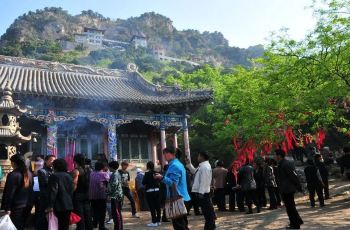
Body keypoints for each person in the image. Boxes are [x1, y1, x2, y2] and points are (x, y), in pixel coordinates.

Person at [154, 147, 191, 230]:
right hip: (181, 197)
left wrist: (161, 178)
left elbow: (173, 182)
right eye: (164, 153)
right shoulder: (177, 164)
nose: (164, 155)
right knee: (183, 224)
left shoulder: (175, 165)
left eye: (166, 153)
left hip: (177, 198)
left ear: (173, 154)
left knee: (179, 225)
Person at [1, 154, 33, 230]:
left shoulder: (13, 174)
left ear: (13, 163)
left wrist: (7, 207)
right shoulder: (30, 174)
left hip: (16, 207)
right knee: (22, 225)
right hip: (28, 205)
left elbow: (9, 193)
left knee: (15, 226)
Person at [186, 151, 216, 230]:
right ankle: (210, 227)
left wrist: (201, 192)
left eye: (198, 156)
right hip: (202, 193)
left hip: (203, 193)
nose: (197, 157)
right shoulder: (202, 166)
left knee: (208, 214)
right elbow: (194, 172)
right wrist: (189, 164)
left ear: (202, 157)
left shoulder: (205, 167)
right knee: (208, 213)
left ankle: (210, 227)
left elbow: (204, 181)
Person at [275, 149, 303, 229]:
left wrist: (298, 186)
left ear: (279, 156)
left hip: (288, 189)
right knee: (290, 207)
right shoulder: (282, 163)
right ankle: (298, 221)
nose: (275, 156)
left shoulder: (286, 164)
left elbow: (293, 176)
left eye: (275, 155)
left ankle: (295, 224)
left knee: (290, 208)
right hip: (285, 188)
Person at [46, 158, 74, 230]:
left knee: (59, 225)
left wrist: (50, 205)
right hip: (68, 204)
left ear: (55, 166)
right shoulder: (69, 175)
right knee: (65, 225)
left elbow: (53, 191)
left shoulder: (54, 176)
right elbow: (72, 189)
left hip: (59, 205)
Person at [72, 154, 93, 230]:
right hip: (87, 194)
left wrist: (70, 193)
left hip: (78, 195)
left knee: (79, 215)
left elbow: (74, 184)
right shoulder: (89, 170)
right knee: (87, 214)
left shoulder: (76, 171)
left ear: (74, 161)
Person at [37, 154, 56, 230]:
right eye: (51, 160)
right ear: (46, 161)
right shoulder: (42, 171)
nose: (53, 162)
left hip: (53, 198)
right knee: (43, 218)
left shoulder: (54, 171)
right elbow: (46, 183)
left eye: (54, 160)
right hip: (45, 198)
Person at [89, 161, 110, 230]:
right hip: (101, 196)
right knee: (102, 212)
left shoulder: (91, 174)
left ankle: (94, 224)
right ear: (103, 167)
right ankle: (101, 226)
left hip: (92, 196)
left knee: (94, 211)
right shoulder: (104, 174)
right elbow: (108, 183)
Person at [142, 161, 162, 227]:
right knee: (158, 207)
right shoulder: (157, 173)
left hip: (150, 192)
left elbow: (143, 182)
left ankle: (154, 222)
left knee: (152, 207)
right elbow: (159, 181)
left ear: (148, 166)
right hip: (157, 191)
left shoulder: (147, 173)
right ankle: (158, 221)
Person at [107, 161, 124, 230]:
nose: (108, 168)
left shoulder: (115, 174)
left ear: (111, 167)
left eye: (109, 167)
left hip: (116, 196)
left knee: (116, 214)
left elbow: (114, 186)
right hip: (117, 196)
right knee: (117, 214)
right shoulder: (116, 173)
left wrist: (108, 192)